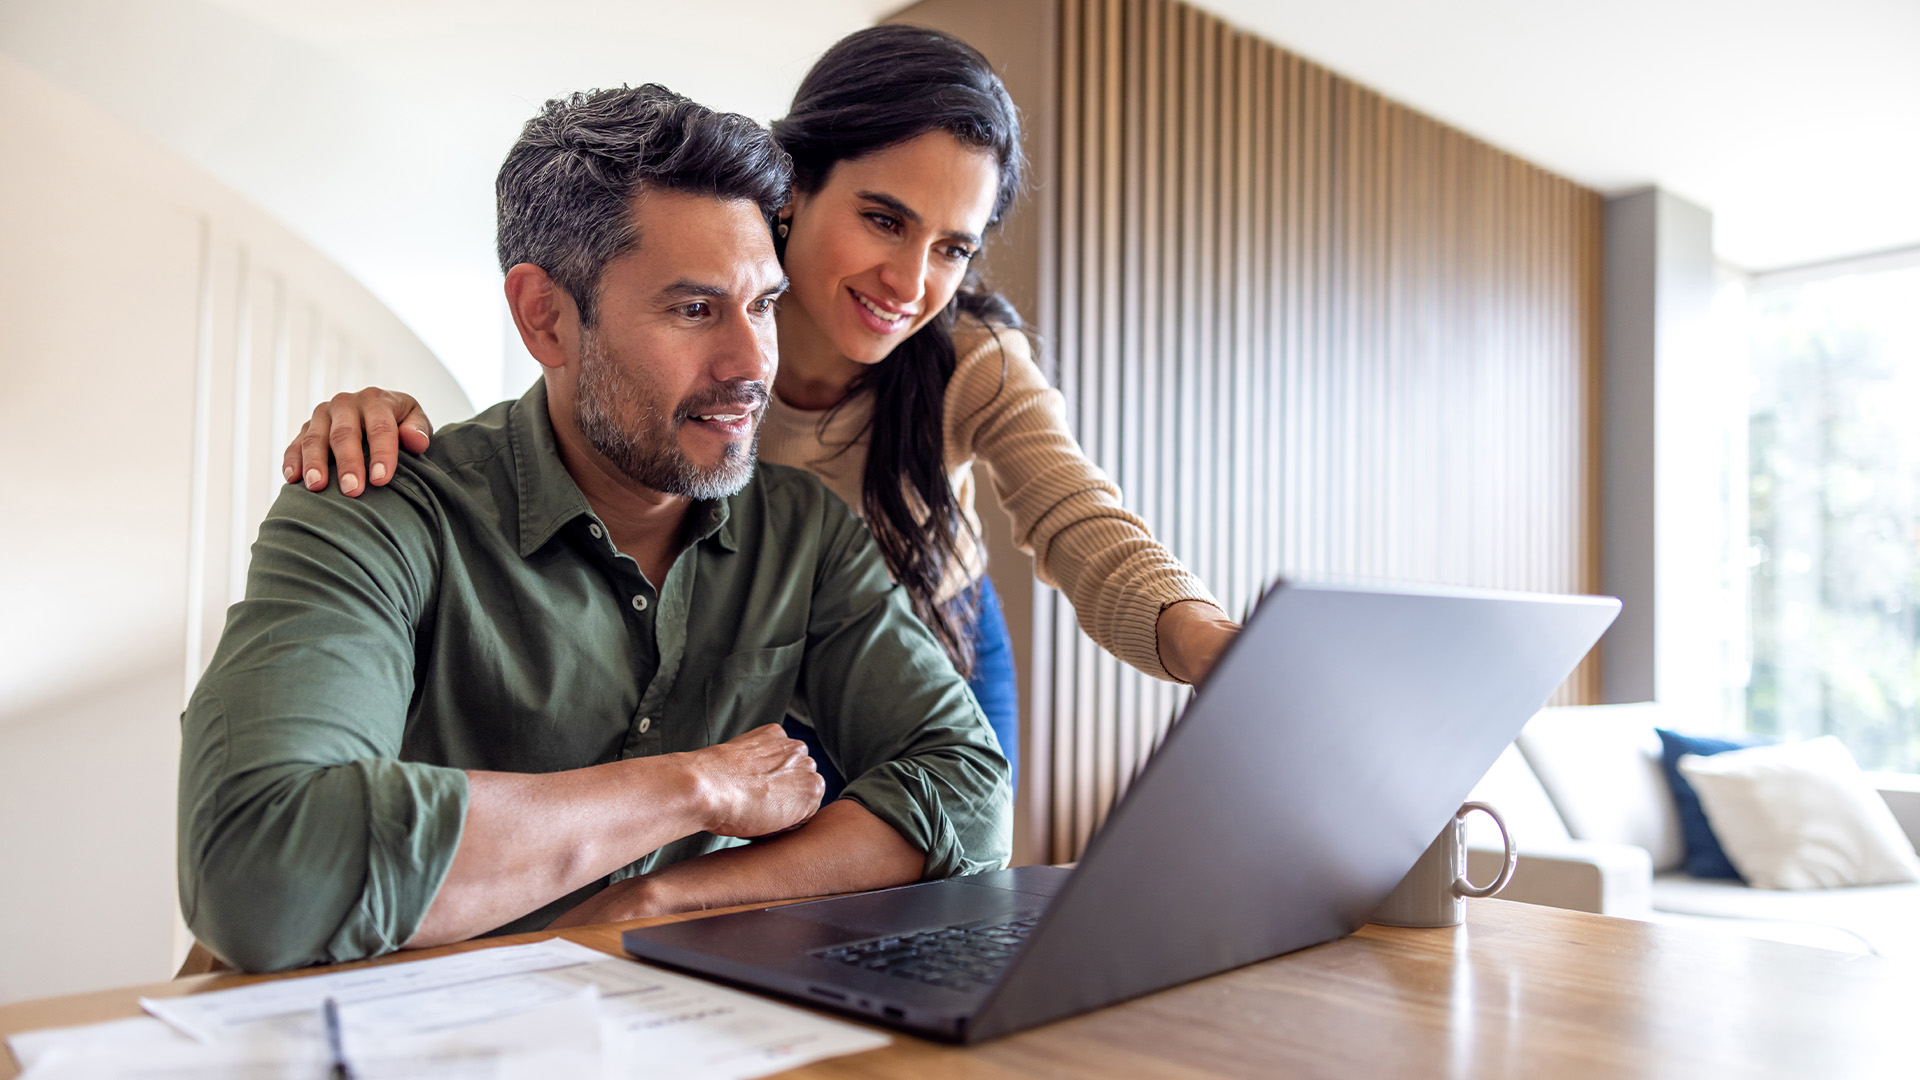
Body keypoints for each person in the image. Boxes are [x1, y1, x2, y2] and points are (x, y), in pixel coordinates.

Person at [179, 84, 1009, 974]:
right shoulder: (373, 506)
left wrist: (656, 902)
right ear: (546, 316)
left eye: (763, 304)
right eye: (693, 309)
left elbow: (969, 794)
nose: (751, 363)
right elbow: (262, 867)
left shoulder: (805, 535)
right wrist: (692, 788)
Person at [284, 26, 1241, 791]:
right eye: (884, 219)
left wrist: (1212, 645)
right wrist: (383, 417)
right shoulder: (700, 340)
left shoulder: (969, 360)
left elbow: (1077, 515)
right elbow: (582, 403)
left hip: (931, 631)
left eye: (953, 247)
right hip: (753, 650)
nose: (911, 282)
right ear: (793, 191)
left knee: (948, 885)